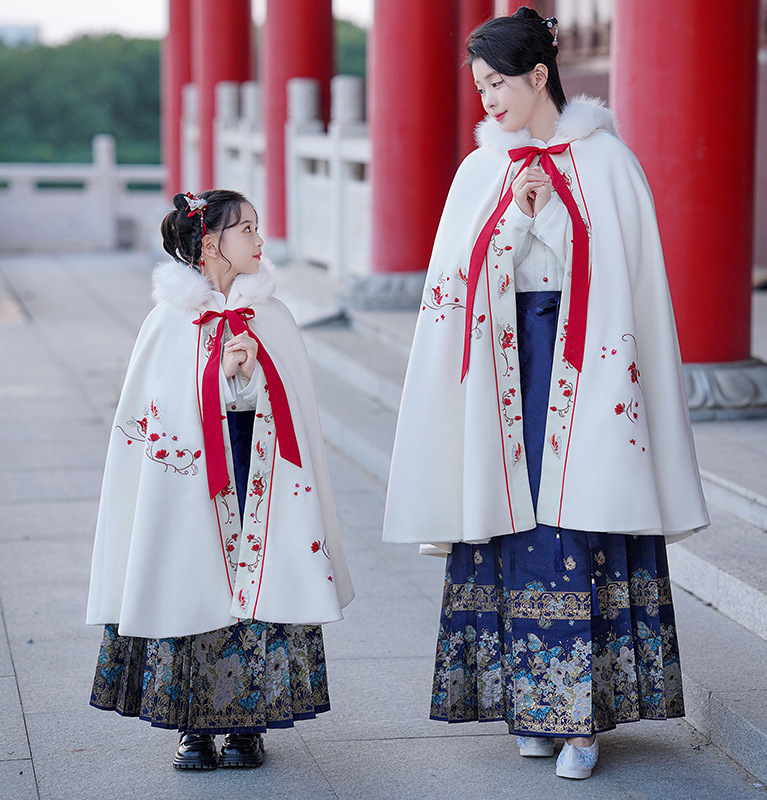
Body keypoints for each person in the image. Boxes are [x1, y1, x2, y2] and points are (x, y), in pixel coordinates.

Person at [382, 8, 709, 780]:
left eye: (498, 84)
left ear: (538, 76)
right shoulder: (480, 170)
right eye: (478, 87)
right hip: (504, 369)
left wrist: (550, 219)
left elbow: (622, 282)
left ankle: (581, 722)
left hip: (584, 366)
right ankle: (531, 707)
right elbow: (454, 280)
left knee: (573, 525)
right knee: (511, 522)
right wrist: (513, 226)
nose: (487, 101)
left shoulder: (607, 162)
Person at [87, 189, 353, 770]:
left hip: (259, 478)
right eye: (248, 229)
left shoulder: (273, 317)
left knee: (259, 589)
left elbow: (292, 412)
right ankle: (193, 729)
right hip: (189, 487)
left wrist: (246, 379)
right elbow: (157, 417)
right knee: (190, 581)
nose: (260, 240)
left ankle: (246, 726)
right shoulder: (168, 321)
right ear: (211, 245)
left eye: (257, 228)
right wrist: (219, 377)